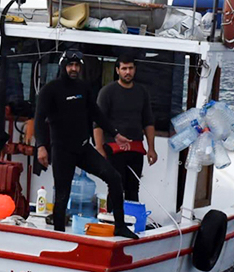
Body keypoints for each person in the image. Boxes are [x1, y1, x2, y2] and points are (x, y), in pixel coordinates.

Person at [34, 49, 139, 239]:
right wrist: (41, 146)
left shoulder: (83, 88)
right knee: (62, 195)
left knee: (114, 178)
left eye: (77, 66)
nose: (74, 69)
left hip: (83, 148)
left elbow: (97, 114)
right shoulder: (50, 90)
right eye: (70, 65)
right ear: (63, 66)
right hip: (62, 150)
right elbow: (39, 120)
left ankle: (120, 225)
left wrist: (115, 134)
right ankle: (59, 237)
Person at [93, 53, 157, 213]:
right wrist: (99, 148)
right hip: (113, 149)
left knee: (133, 188)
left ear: (135, 69)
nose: (127, 72)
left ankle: (132, 220)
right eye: (124, 69)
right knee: (115, 185)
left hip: (135, 149)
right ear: (117, 70)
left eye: (130, 68)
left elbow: (148, 122)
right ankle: (111, 220)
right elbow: (97, 122)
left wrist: (151, 148)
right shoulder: (107, 92)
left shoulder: (142, 92)